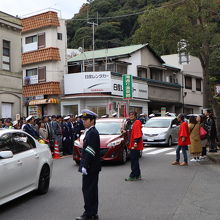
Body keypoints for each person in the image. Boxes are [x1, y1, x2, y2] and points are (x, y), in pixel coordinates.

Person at [76, 109, 101, 220]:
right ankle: (92, 213)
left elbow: (91, 150)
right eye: (83, 119)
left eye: (86, 119)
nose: (83, 121)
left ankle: (89, 214)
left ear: (92, 121)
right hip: (91, 166)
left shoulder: (93, 133)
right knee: (90, 190)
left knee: (88, 190)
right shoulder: (90, 131)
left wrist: (85, 165)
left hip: (91, 167)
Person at [125, 111, 143, 181]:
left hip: (135, 144)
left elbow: (138, 133)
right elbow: (129, 130)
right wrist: (124, 131)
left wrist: (136, 143)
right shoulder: (130, 122)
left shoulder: (137, 122)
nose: (131, 116)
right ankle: (138, 175)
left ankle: (133, 175)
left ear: (135, 116)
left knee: (133, 160)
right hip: (131, 143)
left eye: (132, 115)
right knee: (134, 160)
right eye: (130, 115)